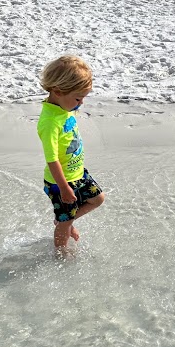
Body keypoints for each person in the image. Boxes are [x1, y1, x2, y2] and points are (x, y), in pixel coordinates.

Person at [37, 55, 105, 253]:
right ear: (58, 91)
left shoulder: (64, 106)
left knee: (98, 199)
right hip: (60, 183)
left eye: (83, 98)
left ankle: (65, 220)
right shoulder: (50, 122)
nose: (81, 103)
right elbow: (52, 159)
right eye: (78, 98)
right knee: (65, 225)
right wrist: (64, 188)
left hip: (78, 173)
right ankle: (61, 253)